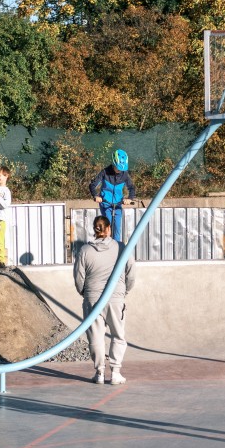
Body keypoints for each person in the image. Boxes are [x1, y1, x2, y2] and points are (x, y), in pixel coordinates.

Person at [73, 215, 136, 385]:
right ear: (108, 229)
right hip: (116, 298)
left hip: (92, 298)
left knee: (96, 337)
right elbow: (131, 273)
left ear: (95, 230)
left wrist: (84, 293)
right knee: (118, 335)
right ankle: (115, 372)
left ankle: (99, 372)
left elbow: (79, 277)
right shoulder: (121, 247)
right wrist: (124, 291)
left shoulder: (85, 250)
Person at [89, 149, 136, 242]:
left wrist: (129, 198)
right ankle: (106, 246)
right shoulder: (104, 172)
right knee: (107, 227)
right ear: (114, 163)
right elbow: (92, 185)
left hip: (118, 204)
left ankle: (117, 249)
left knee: (117, 229)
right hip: (106, 204)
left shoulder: (124, 174)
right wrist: (96, 196)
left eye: (122, 169)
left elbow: (131, 188)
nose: (120, 170)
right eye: (118, 168)